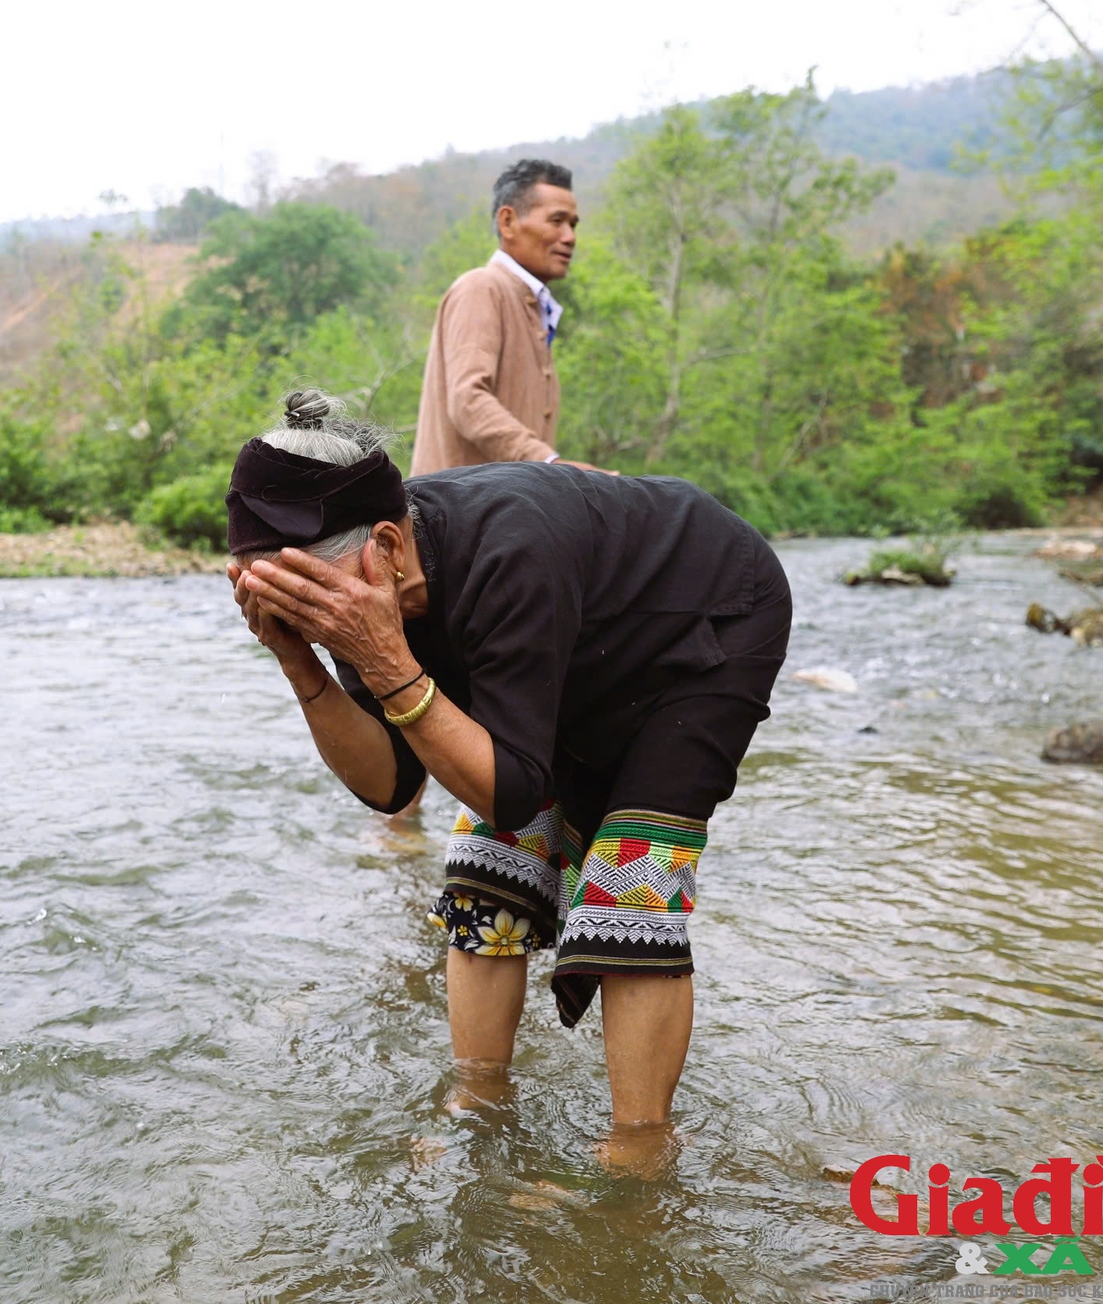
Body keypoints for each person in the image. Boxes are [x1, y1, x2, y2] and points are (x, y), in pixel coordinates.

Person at [226, 390, 789, 1165]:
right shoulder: (358, 596)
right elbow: (390, 783)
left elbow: (512, 788)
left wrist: (385, 660)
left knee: (630, 877)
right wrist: (301, 659)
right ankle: (478, 1100)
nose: (313, 617)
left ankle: (639, 1149)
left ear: (386, 548)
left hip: (706, 616)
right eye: (286, 603)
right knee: (490, 865)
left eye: (314, 601)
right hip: (572, 646)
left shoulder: (509, 549)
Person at [412, 158, 601, 476]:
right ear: (508, 221)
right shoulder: (481, 287)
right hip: (455, 514)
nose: (570, 237)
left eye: (573, 225)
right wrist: (551, 466)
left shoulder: (534, 307)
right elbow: (468, 400)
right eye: (557, 221)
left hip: (502, 512)